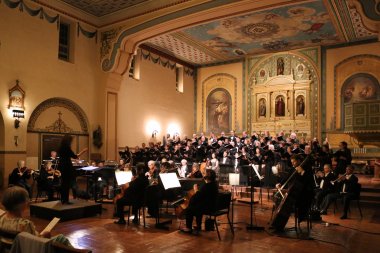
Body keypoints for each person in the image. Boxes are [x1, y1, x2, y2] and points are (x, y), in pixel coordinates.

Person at [0, 186, 71, 246]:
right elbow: (35, 243)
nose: (28, 201)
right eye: (26, 199)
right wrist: (45, 235)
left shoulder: (1, 219)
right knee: (61, 238)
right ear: (20, 204)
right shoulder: (25, 224)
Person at [181, 169, 219, 234]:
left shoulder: (207, 186)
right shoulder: (214, 185)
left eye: (204, 174)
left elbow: (198, 197)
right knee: (196, 205)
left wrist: (196, 190)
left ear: (207, 177)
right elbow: (203, 196)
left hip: (208, 208)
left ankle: (189, 228)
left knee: (189, 209)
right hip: (212, 206)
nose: (203, 175)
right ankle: (198, 226)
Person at [58, 134, 87, 204]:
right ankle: (66, 200)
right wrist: (83, 151)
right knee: (67, 184)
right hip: (67, 166)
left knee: (63, 183)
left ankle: (63, 199)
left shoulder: (60, 147)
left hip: (61, 166)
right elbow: (75, 156)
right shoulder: (67, 148)